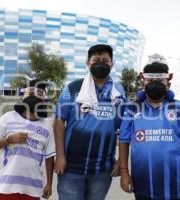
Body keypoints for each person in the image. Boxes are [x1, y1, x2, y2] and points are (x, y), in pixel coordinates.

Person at [119, 54, 180, 200]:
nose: (155, 84)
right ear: (143, 83)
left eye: (160, 80)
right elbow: (123, 141)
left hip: (175, 185)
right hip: (142, 184)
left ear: (168, 83)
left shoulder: (178, 108)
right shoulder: (132, 108)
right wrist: (124, 172)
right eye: (150, 80)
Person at [54, 44, 126, 200]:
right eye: (96, 60)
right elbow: (59, 121)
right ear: (88, 63)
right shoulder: (73, 88)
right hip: (71, 167)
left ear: (112, 65)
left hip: (102, 169)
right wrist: (60, 156)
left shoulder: (119, 92)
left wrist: (121, 161)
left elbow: (125, 128)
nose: (101, 63)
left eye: (105, 60)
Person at [0, 79, 55, 200]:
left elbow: (49, 157)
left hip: (33, 189)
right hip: (6, 187)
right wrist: (8, 140)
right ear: (22, 95)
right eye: (30, 93)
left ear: (44, 100)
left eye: (39, 94)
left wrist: (49, 184)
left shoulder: (48, 125)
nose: (34, 96)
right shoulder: (8, 117)